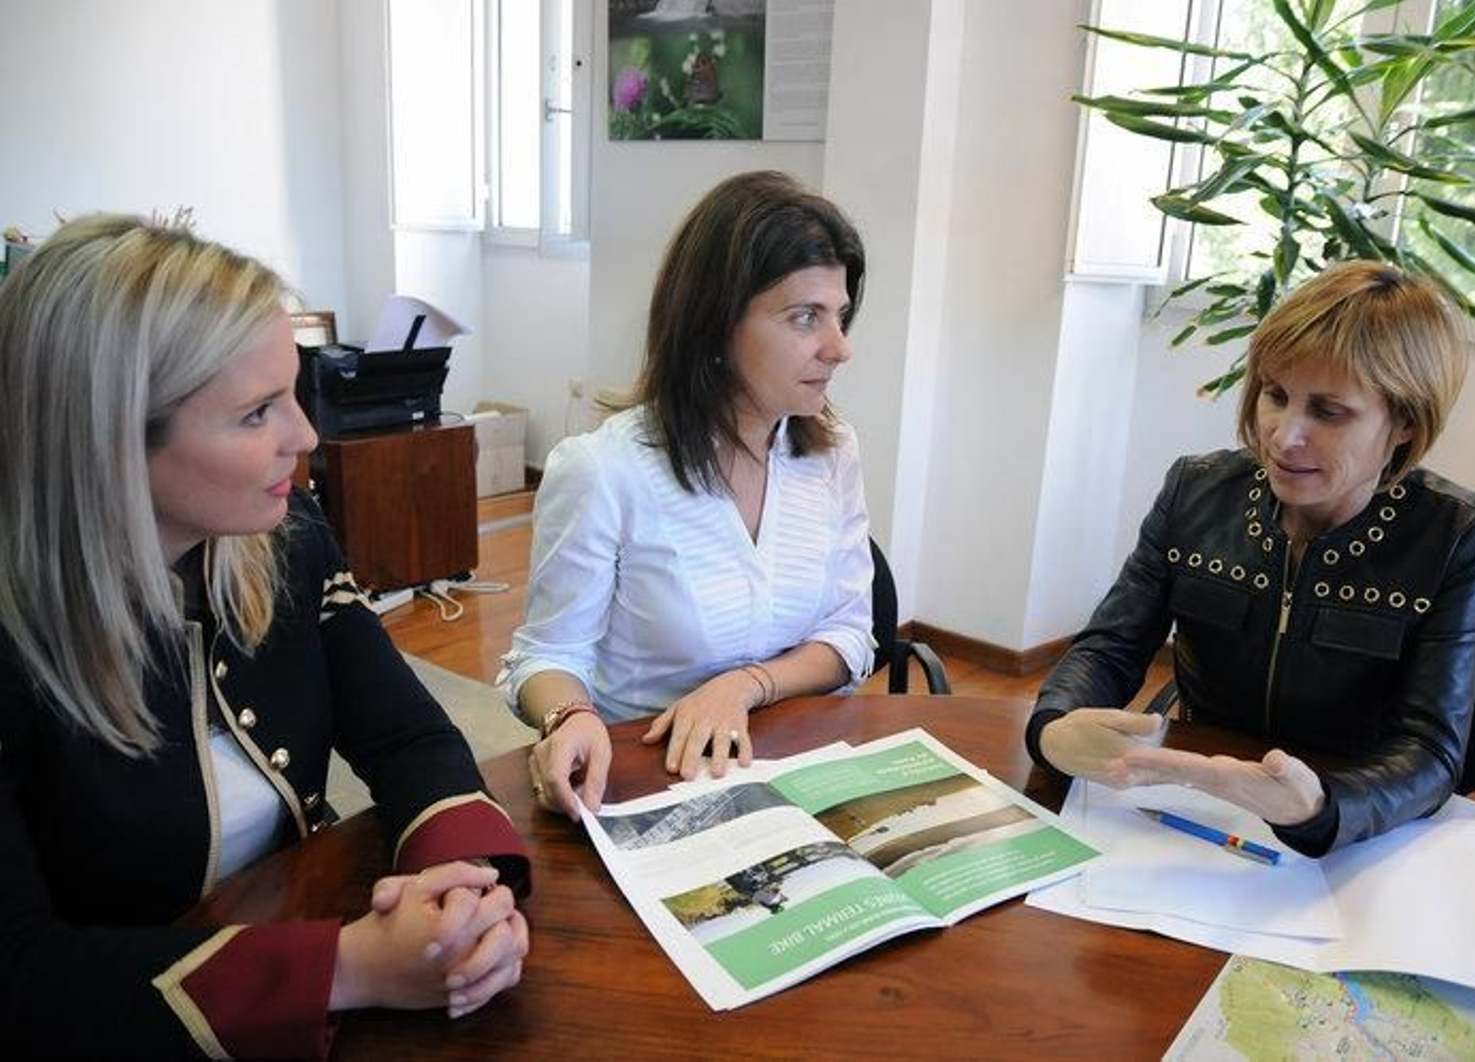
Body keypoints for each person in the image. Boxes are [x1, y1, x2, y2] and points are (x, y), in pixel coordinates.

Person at [0, 214, 531, 1059]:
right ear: (108, 444)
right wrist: (344, 970)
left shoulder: (283, 542)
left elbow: (404, 733)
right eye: (256, 414)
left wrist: (466, 891)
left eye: (294, 391)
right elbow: (23, 975)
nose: (307, 436)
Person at [1027, 260, 1475, 856]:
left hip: (1346, 830)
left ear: (1406, 420)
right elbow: (1110, 646)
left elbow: (1430, 750)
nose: (1283, 435)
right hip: (1193, 799)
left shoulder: (1455, 534)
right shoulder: (1195, 491)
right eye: (1276, 395)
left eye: (1328, 412)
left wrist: (1321, 806)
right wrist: (1053, 725)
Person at [499, 170, 874, 817]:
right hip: (650, 777)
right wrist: (568, 716)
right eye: (805, 317)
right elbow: (549, 656)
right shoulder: (604, 470)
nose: (839, 347)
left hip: (795, 768)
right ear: (717, 323)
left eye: (839, 316)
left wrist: (744, 686)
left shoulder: (832, 451)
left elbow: (849, 634)